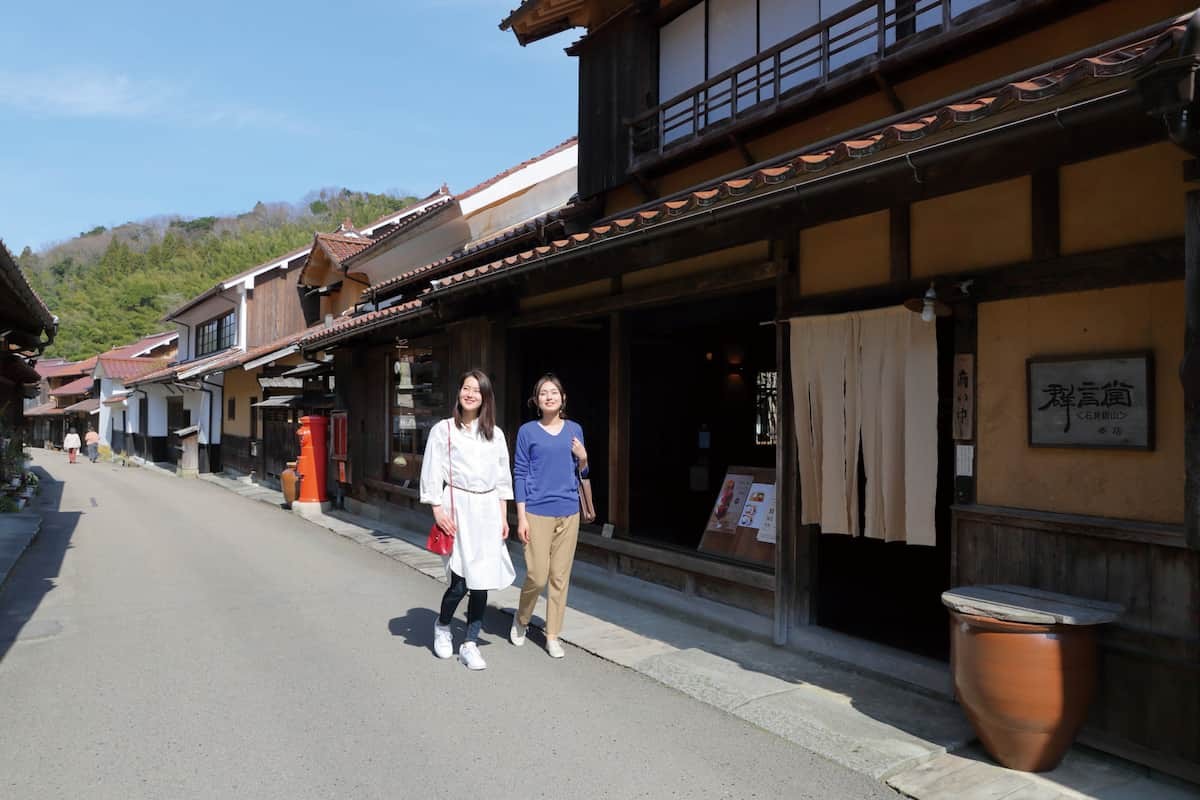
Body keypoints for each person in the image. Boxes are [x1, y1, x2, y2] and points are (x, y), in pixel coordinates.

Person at [419, 369, 515, 671]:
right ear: (459, 392)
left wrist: (503, 517)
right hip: (457, 507)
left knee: (482, 581)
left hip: (487, 510)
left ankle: (470, 642)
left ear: (486, 397)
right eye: (465, 388)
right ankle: (443, 625)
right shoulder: (444, 430)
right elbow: (432, 472)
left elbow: (502, 479)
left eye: (477, 389)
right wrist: (438, 511)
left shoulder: (495, 434)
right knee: (459, 582)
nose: (470, 393)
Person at [510, 374, 588, 659]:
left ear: (563, 398)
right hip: (536, 511)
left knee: (559, 577)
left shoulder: (574, 430)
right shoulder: (528, 431)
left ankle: (552, 634)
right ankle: (522, 618)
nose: (549, 396)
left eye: (554, 392)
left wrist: (583, 457)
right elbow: (519, 473)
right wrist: (522, 516)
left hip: (569, 511)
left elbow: (584, 475)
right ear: (537, 400)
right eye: (544, 393)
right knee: (537, 575)